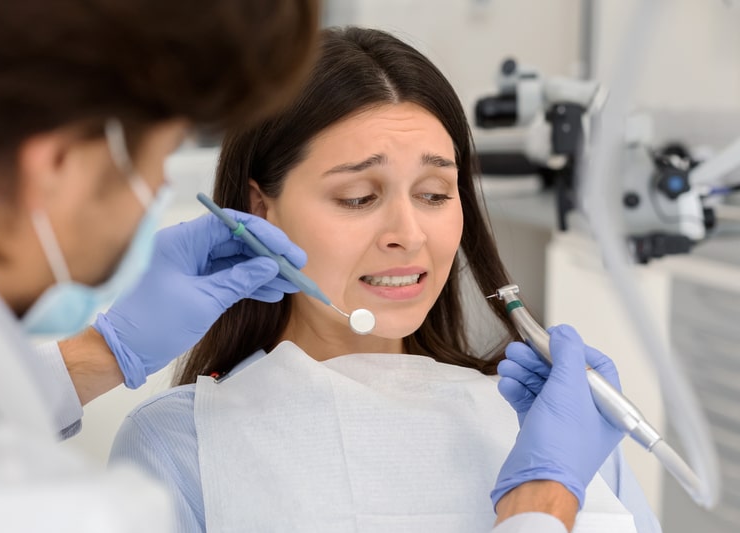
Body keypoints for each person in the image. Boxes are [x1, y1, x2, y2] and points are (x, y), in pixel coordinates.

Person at [109, 27, 662, 533]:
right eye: (359, 197)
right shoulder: (181, 445)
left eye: (434, 194)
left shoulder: (565, 431)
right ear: (261, 209)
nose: (409, 233)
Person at [0, 1, 320, 531]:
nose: (159, 191)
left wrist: (108, 350)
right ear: (59, 164)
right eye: (159, 158)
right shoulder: (69, 506)